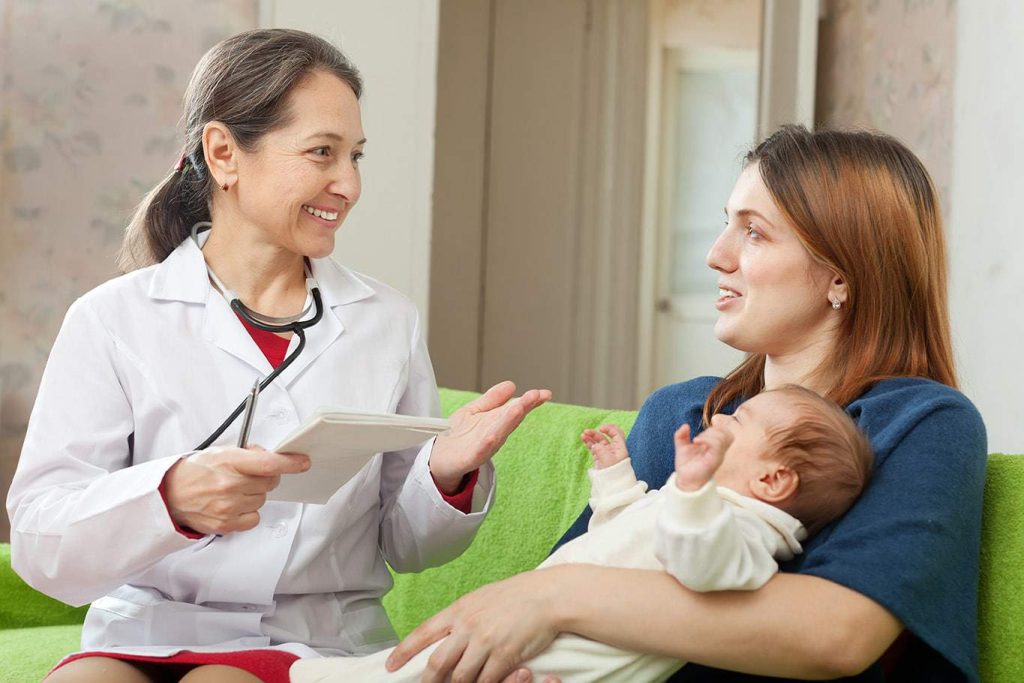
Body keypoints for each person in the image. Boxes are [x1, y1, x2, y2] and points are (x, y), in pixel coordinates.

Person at [6, 29, 550, 683]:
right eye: (322, 152)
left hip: (311, 638)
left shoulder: (385, 321)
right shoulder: (113, 319)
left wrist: (446, 474)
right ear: (224, 153)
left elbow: (408, 542)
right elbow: (39, 540)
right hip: (143, 629)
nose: (347, 183)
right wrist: (169, 497)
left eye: (355, 156)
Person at [383, 126, 988, 683]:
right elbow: (583, 583)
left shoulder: (920, 423)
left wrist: (554, 596)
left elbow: (837, 633)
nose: (716, 255)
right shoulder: (681, 412)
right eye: (727, 223)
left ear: (842, 275)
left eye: (753, 231)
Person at [290, 385, 873, 682]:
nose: (716, 420)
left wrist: (693, 493)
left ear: (772, 479)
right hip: (540, 630)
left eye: (738, 423)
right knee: (427, 662)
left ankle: (316, 672)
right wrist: (617, 478)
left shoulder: (745, 532)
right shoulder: (702, 503)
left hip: (568, 660)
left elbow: (700, 563)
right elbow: (623, 534)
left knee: (425, 668)